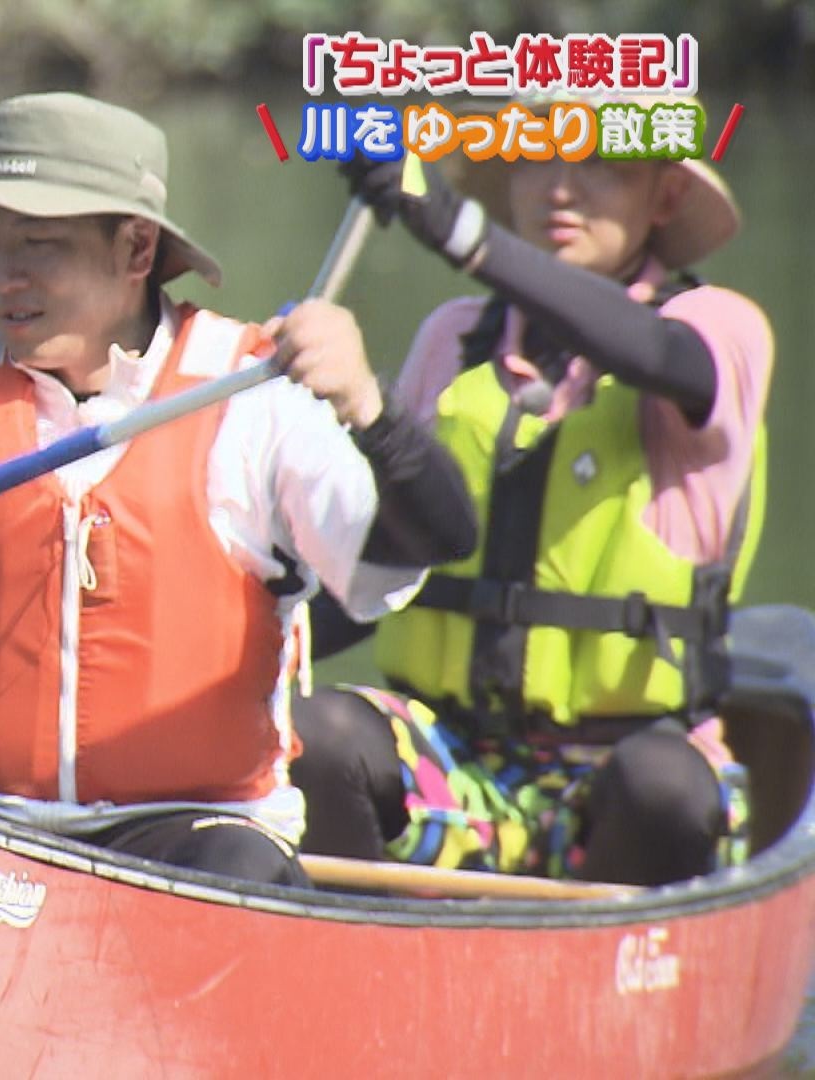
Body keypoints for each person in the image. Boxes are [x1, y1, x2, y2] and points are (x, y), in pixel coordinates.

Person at [0, 91, 476, 888]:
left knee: (240, 865)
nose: (6, 277)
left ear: (137, 250)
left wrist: (370, 411)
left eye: (39, 243)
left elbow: (440, 539)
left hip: (190, 839)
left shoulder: (255, 402)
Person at [292, 94, 774, 887]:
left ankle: (610, 987)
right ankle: (358, 953)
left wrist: (454, 228)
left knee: (663, 785)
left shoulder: (719, 327)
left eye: (601, 167)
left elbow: (652, 349)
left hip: (627, 766)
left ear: (665, 195)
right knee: (317, 732)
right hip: (459, 762)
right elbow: (378, 570)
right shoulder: (454, 337)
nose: (560, 188)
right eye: (536, 159)